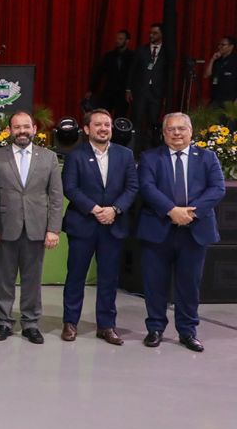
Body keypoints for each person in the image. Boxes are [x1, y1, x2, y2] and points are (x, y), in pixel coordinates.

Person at [136, 112, 226, 352]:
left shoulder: (207, 157)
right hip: (158, 230)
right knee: (155, 283)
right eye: (171, 129)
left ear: (190, 131)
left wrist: (190, 213)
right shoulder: (150, 158)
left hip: (194, 231)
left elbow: (217, 188)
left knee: (189, 285)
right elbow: (146, 187)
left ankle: (187, 332)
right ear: (164, 133)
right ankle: (155, 329)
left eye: (181, 129)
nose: (176, 133)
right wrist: (171, 210)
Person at [60, 109, 139, 345]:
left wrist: (114, 210)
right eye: (98, 124)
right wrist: (95, 209)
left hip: (113, 225)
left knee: (108, 278)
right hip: (82, 224)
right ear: (87, 129)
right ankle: (70, 322)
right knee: (76, 276)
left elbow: (132, 188)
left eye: (107, 124)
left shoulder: (125, 155)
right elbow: (70, 188)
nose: (104, 128)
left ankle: (106, 325)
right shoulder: (75, 156)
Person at [0, 111, 64, 344]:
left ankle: (31, 323)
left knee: (32, 279)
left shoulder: (49, 157)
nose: (22, 131)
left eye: (26, 127)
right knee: (4, 278)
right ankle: (3, 321)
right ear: (9, 131)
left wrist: (53, 229)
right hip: (4, 227)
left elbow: (56, 196)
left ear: (34, 129)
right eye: (17, 127)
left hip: (37, 228)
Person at [126, 23, 173, 151]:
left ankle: (148, 150)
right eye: (150, 33)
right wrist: (128, 89)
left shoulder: (167, 52)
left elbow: (168, 75)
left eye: (155, 33)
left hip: (157, 93)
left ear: (162, 34)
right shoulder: (141, 50)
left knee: (152, 122)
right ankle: (135, 149)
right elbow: (132, 71)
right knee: (137, 121)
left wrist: (166, 95)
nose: (151, 35)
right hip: (140, 91)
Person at [85, 30, 133, 116]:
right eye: (116, 39)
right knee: (102, 115)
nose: (117, 41)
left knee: (120, 118)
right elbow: (100, 73)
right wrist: (91, 89)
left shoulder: (132, 56)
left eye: (120, 39)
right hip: (108, 92)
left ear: (127, 41)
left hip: (123, 94)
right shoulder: (109, 56)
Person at [205, 35, 237, 108]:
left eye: (222, 45)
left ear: (231, 47)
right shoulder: (217, 61)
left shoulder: (235, 61)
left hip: (230, 100)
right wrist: (212, 60)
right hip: (216, 98)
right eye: (219, 44)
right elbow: (206, 75)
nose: (219, 47)